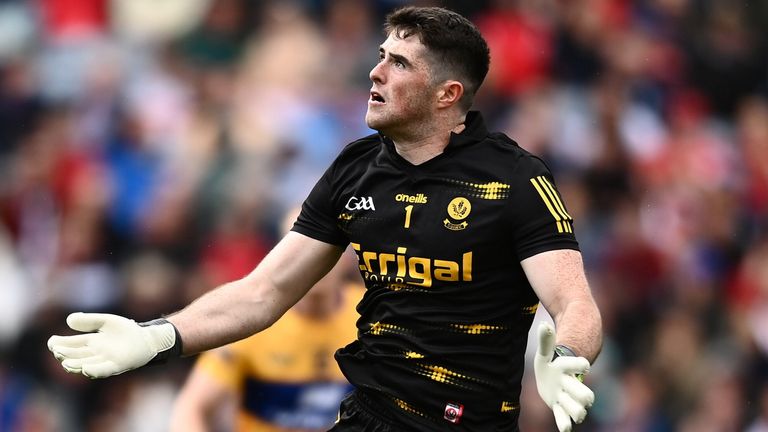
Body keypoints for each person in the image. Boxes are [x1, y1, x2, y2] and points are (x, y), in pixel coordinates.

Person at [48, 6, 602, 432]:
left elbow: (575, 303)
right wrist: (157, 336)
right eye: (382, 54)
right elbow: (263, 292)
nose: (376, 71)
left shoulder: (516, 179)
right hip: (368, 416)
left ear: (447, 94)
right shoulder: (355, 170)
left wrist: (570, 357)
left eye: (399, 63)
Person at [169, 208, 363, 432]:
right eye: (301, 249)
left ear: (347, 257)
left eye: (326, 246)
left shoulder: (373, 316)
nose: (313, 259)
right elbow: (191, 407)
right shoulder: (249, 319)